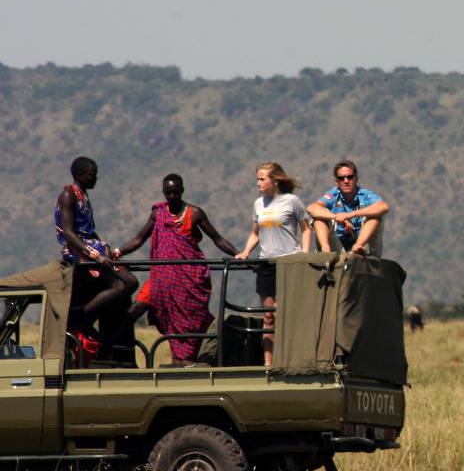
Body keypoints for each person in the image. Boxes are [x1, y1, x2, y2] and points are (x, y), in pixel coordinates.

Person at [116, 174, 239, 365]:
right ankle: (121, 356)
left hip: (189, 280)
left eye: (175, 192)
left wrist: (238, 254)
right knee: (136, 309)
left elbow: (218, 239)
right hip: (161, 279)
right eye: (168, 193)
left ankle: (185, 361)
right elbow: (138, 239)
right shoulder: (158, 214)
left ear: (182, 191)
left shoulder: (195, 213)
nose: (171, 196)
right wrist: (117, 252)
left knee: (191, 322)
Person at [55, 157, 138, 365]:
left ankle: (90, 315)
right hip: (78, 250)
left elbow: (89, 230)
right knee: (127, 282)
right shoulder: (68, 195)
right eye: (93, 174)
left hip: (91, 246)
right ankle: (83, 315)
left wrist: (105, 249)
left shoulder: (83, 195)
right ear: (80, 175)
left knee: (130, 282)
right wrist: (96, 255)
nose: (96, 178)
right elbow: (69, 232)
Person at [235, 162, 311, 366]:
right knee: (268, 316)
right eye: (257, 179)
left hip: (289, 264)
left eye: (262, 179)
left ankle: (292, 361)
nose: (258, 183)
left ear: (274, 180)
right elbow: (255, 233)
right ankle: (268, 364)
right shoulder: (259, 204)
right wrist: (245, 252)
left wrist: (304, 255)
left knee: (285, 314)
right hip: (266, 264)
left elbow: (306, 229)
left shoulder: (292, 201)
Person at [306, 160, 389, 255]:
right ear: (337, 182)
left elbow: (383, 207)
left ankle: (357, 248)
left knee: (375, 217)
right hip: (338, 248)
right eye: (341, 178)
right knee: (319, 217)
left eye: (350, 177)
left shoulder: (365, 195)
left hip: (364, 248)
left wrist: (350, 215)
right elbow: (311, 208)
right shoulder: (333, 195)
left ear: (356, 179)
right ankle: (326, 251)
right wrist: (336, 217)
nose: (346, 181)